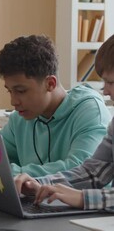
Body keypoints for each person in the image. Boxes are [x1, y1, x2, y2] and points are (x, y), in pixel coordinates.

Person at [15, 34, 114, 211]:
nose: (105, 91)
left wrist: (84, 198)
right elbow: (93, 173)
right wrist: (39, 184)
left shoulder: (90, 108)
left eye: (112, 82)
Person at [0, 35, 111, 177]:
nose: (13, 101)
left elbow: (81, 169)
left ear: (50, 83)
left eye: (21, 91)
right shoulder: (19, 118)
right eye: (9, 90)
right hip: (37, 199)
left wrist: (11, 172)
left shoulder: (90, 111)